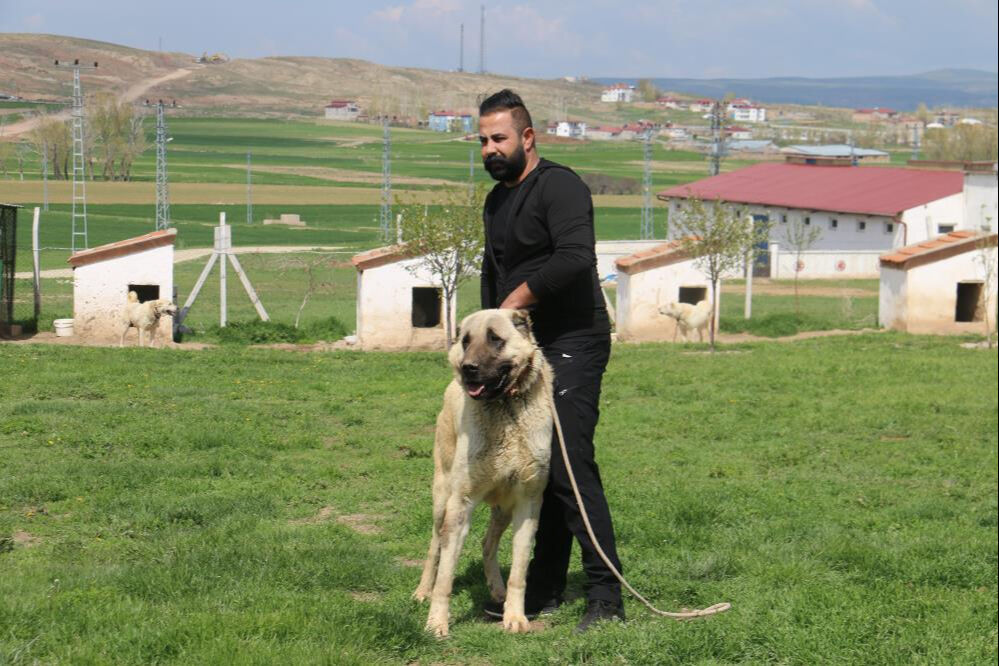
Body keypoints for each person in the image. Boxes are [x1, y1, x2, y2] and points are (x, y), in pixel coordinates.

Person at [477, 89, 625, 633]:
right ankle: (543, 586)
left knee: (567, 461)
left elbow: (575, 257)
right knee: (539, 465)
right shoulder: (495, 202)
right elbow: (494, 277)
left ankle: (607, 597)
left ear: (528, 137)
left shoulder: (559, 186)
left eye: (499, 138)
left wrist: (512, 304)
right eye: (484, 141)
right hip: (522, 352)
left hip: (575, 340)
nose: (490, 149)